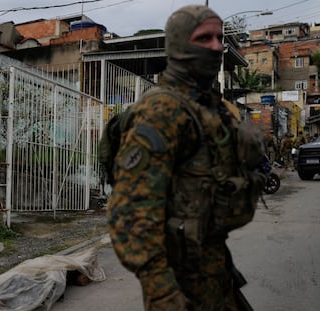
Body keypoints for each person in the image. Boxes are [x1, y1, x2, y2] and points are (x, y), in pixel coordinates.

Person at [106, 5, 265, 310]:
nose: (217, 46)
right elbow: (131, 215)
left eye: (220, 37)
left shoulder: (208, 107)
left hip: (215, 271)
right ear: (179, 44)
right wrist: (163, 294)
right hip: (179, 285)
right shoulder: (163, 112)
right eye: (204, 38)